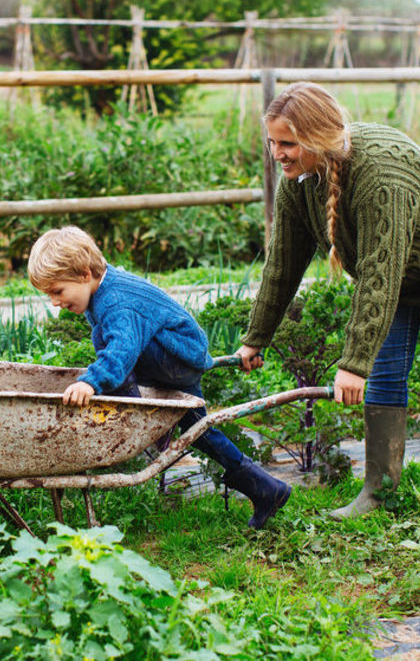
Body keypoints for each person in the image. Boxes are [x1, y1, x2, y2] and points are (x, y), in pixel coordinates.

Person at [235, 82, 420, 519]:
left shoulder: (380, 174)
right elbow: (281, 267)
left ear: (318, 138)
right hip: (396, 272)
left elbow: (379, 271)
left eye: (288, 143)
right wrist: (255, 338)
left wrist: (354, 363)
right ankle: (378, 493)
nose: (277, 153)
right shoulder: (298, 184)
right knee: (387, 373)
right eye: (272, 142)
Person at [28, 225, 291, 530]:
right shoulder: (102, 288)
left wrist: (91, 381)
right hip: (173, 360)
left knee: (116, 350)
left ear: (85, 274)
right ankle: (267, 490)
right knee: (200, 431)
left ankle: (135, 416)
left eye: (57, 291)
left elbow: (122, 351)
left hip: (176, 358)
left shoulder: (117, 301)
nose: (55, 302)